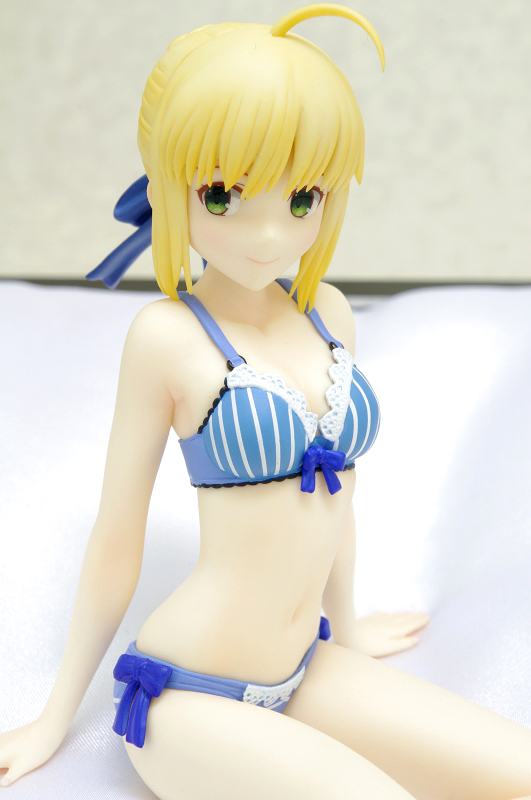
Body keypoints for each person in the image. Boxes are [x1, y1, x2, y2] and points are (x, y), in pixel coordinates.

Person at [1, 5, 530, 798]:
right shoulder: (166, 338)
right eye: (221, 196)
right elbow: (116, 540)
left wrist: (347, 626)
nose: (270, 235)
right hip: (186, 693)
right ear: (168, 186)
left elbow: (335, 494)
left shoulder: (329, 313)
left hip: (307, 663)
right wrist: (52, 718)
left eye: (303, 197)